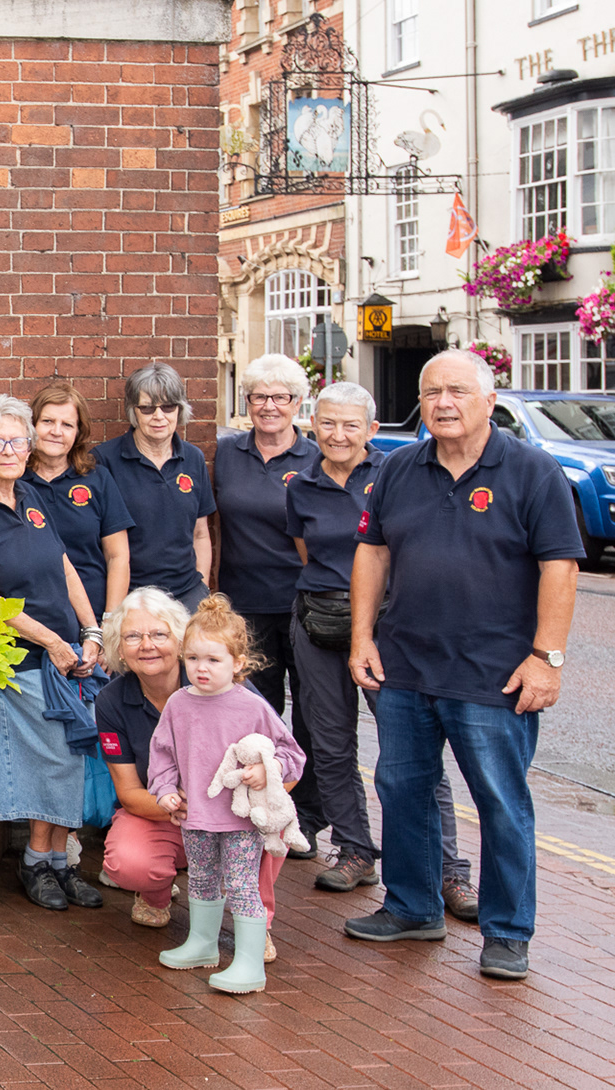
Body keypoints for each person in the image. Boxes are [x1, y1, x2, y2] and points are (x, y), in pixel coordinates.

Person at [347, 350, 582, 980]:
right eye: (431, 393)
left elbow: (560, 567)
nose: (443, 403)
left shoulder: (533, 471)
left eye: (456, 390)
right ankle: (411, 907)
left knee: (500, 801)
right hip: (404, 667)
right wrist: (361, 636)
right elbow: (372, 551)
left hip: (495, 674)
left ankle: (507, 932)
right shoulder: (398, 468)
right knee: (402, 789)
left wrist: (546, 659)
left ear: (488, 398)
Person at [285, 382, 476, 911]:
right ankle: (353, 850)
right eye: (327, 423)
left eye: (351, 425)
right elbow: (310, 554)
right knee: (330, 743)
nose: (338, 434)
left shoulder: (399, 475)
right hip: (319, 625)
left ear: (372, 430)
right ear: (312, 426)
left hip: (391, 629)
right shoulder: (299, 485)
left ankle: (449, 870)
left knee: (413, 749)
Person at [0, 394, 105, 913]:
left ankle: (60, 862)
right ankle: (38, 859)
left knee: (69, 760)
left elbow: (65, 567)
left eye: (18, 440)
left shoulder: (31, 495)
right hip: (22, 659)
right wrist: (53, 642)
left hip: (67, 653)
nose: (10, 450)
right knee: (51, 761)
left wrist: (91, 630)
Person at [97, 588, 286, 961]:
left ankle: (255, 923)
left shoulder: (225, 682)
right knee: (128, 861)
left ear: (180, 642)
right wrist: (183, 806)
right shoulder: (112, 701)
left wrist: (261, 783)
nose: (147, 645)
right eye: (133, 636)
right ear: (120, 648)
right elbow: (128, 790)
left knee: (271, 826)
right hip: (169, 809)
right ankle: (155, 896)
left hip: (232, 811)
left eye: (160, 634)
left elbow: (285, 759)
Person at [146, 595, 306, 995]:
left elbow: (292, 754)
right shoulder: (178, 705)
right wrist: (164, 791)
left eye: (213, 660)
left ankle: (250, 964)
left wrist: (264, 770)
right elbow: (162, 754)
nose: (201, 668)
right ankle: (202, 944)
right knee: (201, 879)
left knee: (241, 886)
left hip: (239, 821)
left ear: (238, 663)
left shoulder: (251, 706)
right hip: (195, 816)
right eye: (193, 658)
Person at [211, 354, 322, 853]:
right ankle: (259, 810)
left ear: (298, 404)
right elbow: (208, 528)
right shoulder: (227, 454)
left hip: (304, 606)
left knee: (315, 714)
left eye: (281, 397)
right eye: (259, 397)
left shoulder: (316, 458)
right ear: (247, 402)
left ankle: (309, 815)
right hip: (244, 605)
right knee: (257, 712)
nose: (270, 406)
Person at [95, 363, 214, 610]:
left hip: (187, 595)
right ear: (133, 412)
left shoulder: (193, 458)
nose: (159, 416)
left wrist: (201, 586)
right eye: (147, 408)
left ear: (179, 409)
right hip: (130, 596)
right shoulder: (104, 460)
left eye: (168, 406)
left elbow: (200, 533)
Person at [27, 382, 135, 619]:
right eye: (47, 421)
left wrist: (110, 622)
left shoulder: (97, 479)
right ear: (32, 425)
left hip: (92, 617)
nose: (57, 431)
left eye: (67, 425)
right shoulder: (14, 481)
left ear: (78, 433)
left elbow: (118, 556)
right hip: (30, 620)